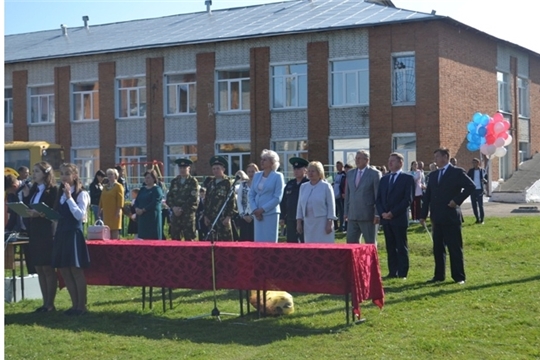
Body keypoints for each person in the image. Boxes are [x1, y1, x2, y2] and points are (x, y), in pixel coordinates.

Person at [420, 148, 475, 284]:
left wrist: (457, 200)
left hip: (451, 216)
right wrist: (423, 214)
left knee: (454, 247)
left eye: (437, 157)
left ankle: (459, 276)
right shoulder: (433, 175)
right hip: (437, 217)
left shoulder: (456, 172)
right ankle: (439, 275)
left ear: (445, 157)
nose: (435, 160)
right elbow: (427, 197)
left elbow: (471, 186)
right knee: (438, 248)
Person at [51, 163, 91, 316]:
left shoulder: (81, 194)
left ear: (75, 176)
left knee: (75, 270)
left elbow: (79, 215)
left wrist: (69, 198)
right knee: (65, 270)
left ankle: (82, 306)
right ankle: (74, 305)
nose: (64, 177)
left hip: (73, 233)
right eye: (62, 173)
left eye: (67, 173)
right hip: (62, 233)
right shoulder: (60, 194)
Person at [21, 162, 59, 312]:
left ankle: (50, 303)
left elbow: (53, 211)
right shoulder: (33, 189)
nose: (33, 174)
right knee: (39, 267)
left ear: (45, 173)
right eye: (33, 171)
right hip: (34, 230)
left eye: (37, 171)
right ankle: (44, 303)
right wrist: (24, 196)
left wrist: (40, 214)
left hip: (47, 231)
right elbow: (28, 208)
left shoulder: (53, 190)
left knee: (48, 267)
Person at [376, 153, 415, 279]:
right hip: (386, 219)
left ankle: (403, 272)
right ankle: (392, 271)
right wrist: (382, 213)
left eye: (393, 161)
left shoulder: (407, 179)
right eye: (389, 160)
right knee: (390, 246)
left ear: (400, 163)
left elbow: (407, 200)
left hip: (398, 218)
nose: (390, 163)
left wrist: (392, 213)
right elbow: (379, 199)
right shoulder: (384, 179)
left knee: (401, 246)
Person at [344, 150, 381, 245]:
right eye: (356, 158)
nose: (357, 160)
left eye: (359, 158)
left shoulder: (374, 174)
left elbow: (378, 195)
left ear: (367, 160)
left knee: (370, 244)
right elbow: (348, 194)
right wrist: (346, 212)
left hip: (368, 215)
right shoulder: (350, 174)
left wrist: (377, 214)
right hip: (352, 215)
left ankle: (371, 260)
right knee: (351, 244)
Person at [248, 149, 285, 243]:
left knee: (269, 240)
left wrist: (262, 209)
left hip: (270, 213)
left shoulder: (278, 176)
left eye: (265, 160)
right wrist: (255, 210)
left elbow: (277, 197)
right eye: (262, 159)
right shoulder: (257, 175)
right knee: (258, 240)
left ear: (272, 162)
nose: (262, 161)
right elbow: (251, 194)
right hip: (257, 214)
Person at [296, 161, 336, 243]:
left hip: (322, 222)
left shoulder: (326, 186)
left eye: (313, 171)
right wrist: (299, 222)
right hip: (308, 222)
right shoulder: (303, 187)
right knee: (310, 247)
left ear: (319, 172)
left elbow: (331, 205)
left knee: (323, 246)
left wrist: (330, 222)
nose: (310, 173)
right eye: (309, 171)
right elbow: (299, 206)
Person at [204, 156, 236, 241]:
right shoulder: (211, 183)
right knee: (212, 241)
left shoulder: (228, 183)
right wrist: (206, 216)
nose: (215, 171)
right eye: (213, 169)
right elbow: (206, 200)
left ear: (223, 169)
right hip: (211, 218)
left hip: (223, 218)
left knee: (226, 243)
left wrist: (228, 216)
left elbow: (232, 201)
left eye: (218, 168)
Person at [167, 158, 199, 241]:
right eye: (180, 168)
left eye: (184, 168)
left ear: (189, 168)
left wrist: (182, 209)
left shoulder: (193, 182)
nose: (182, 170)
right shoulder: (174, 181)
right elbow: (169, 197)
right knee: (175, 238)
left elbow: (193, 198)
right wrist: (174, 208)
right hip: (175, 214)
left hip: (187, 215)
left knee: (189, 239)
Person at [280, 157, 309, 243]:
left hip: (305, 218)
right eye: (294, 169)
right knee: (291, 242)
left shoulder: (308, 183)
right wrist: (282, 217)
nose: (296, 171)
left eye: (299, 169)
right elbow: (284, 201)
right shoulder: (290, 184)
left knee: (305, 242)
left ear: (305, 170)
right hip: (291, 218)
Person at [134, 169, 164, 240]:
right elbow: (137, 200)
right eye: (145, 178)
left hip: (152, 217)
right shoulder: (142, 189)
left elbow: (154, 202)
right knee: (142, 237)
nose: (146, 179)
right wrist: (136, 208)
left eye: (148, 178)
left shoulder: (157, 189)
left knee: (152, 237)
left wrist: (143, 210)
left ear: (154, 178)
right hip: (142, 218)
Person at [98, 168, 124, 239]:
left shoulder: (119, 186)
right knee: (107, 230)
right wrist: (99, 209)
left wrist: (118, 211)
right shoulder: (105, 187)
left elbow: (120, 199)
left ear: (116, 176)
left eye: (111, 174)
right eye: (108, 174)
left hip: (115, 211)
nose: (109, 176)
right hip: (106, 212)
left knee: (114, 230)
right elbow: (101, 199)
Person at [235, 164, 258, 241]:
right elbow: (239, 200)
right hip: (244, 215)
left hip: (255, 216)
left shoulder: (259, 185)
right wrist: (242, 214)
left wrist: (252, 216)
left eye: (253, 172)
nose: (251, 174)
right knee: (244, 238)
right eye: (249, 172)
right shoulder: (243, 184)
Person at [467, 158, 487, 224]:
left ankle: (482, 219)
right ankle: (477, 219)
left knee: (480, 205)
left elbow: (486, 180)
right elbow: (467, 178)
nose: (474, 164)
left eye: (475, 162)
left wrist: (484, 181)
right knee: (474, 205)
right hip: (473, 190)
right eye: (473, 163)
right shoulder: (471, 171)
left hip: (479, 189)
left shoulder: (482, 171)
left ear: (478, 163)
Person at [333, 161, 346, 232]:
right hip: (335, 195)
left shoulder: (344, 175)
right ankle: (335, 226)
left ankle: (341, 226)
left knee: (341, 212)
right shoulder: (336, 174)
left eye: (339, 165)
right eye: (336, 166)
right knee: (335, 212)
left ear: (342, 166)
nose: (337, 167)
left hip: (340, 196)